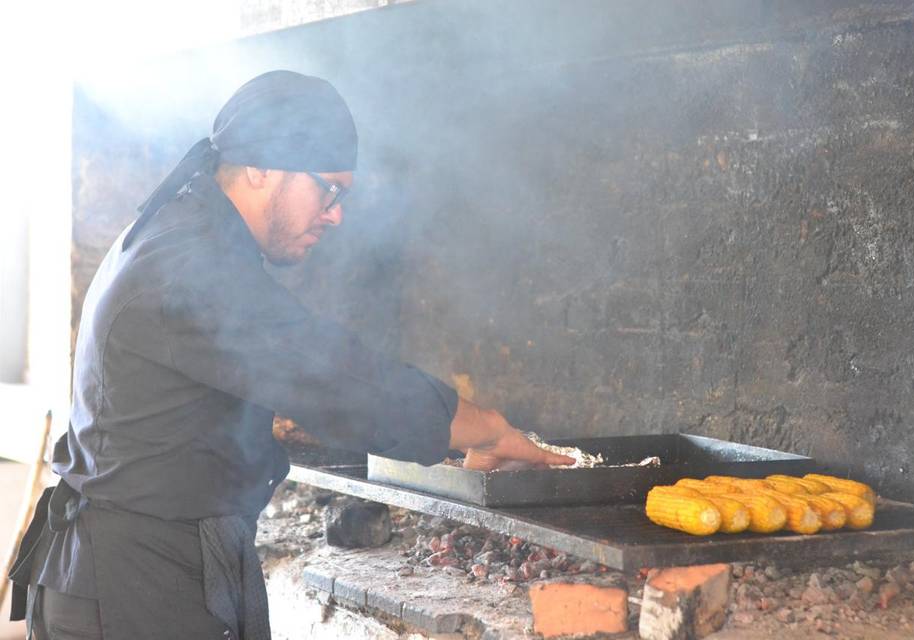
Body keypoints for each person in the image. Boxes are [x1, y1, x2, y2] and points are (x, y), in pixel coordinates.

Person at [8, 70, 572, 639]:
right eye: (329, 189)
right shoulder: (187, 265)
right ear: (261, 168)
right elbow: (333, 377)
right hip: (132, 592)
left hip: (150, 568)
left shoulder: (188, 232)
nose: (336, 214)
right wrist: (484, 429)